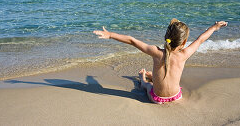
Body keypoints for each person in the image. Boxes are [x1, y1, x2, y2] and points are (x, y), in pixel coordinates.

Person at [93, 19, 228, 104]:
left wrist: (110, 35)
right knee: (163, 77)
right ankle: (151, 76)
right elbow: (200, 39)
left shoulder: (156, 52)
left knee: (147, 86)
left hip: (156, 99)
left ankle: (144, 79)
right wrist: (214, 27)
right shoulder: (184, 54)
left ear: (166, 37)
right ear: (184, 42)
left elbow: (132, 40)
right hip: (176, 97)